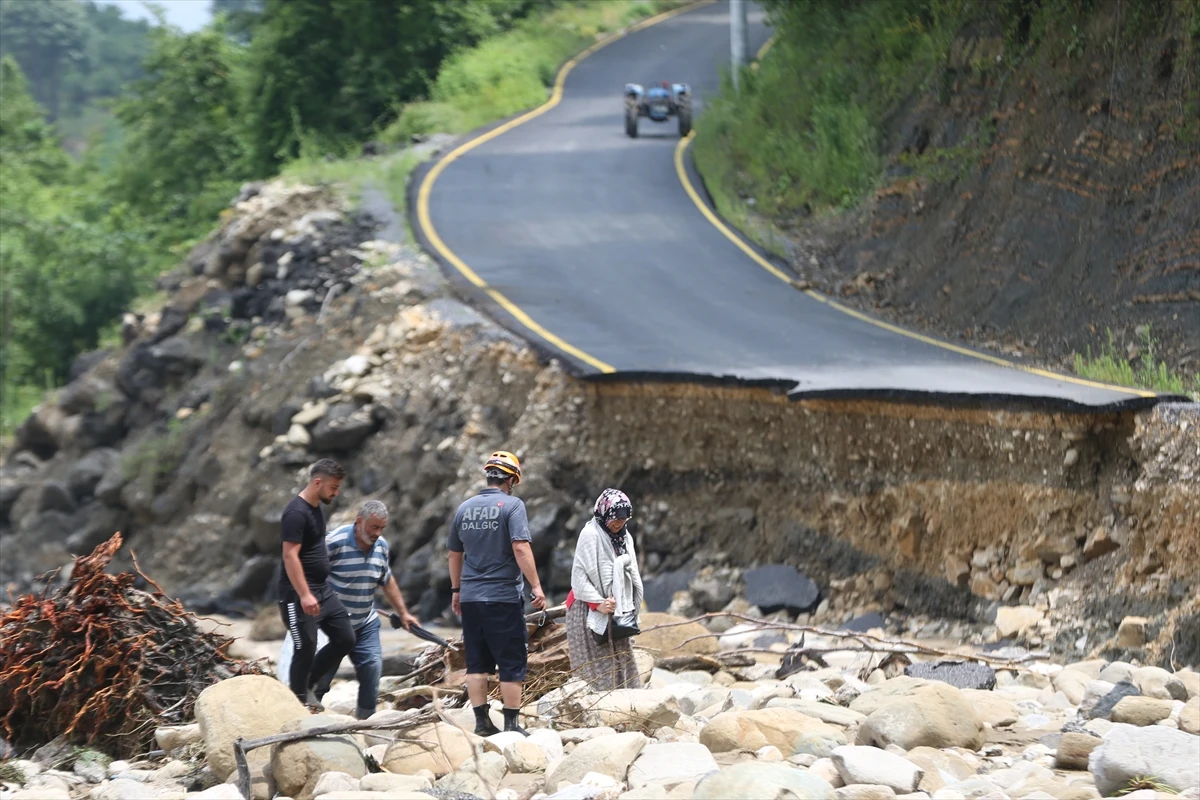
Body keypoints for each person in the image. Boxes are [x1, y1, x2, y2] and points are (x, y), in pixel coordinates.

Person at [448, 450, 546, 736]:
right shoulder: (512, 506)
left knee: (476, 662)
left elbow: (454, 553)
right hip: (502, 597)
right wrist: (536, 586)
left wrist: (456, 589)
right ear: (512, 479)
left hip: (471, 597)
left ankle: (481, 723)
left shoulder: (464, 508)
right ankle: (512, 725)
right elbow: (520, 547)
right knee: (511, 660)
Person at [310, 499, 420, 720]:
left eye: (382, 528)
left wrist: (403, 612)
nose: (378, 533)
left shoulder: (381, 546)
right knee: (321, 677)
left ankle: (366, 722)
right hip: (333, 625)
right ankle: (309, 714)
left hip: (365, 622)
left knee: (372, 668)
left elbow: (386, 580)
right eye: (374, 527)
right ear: (359, 521)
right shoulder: (335, 541)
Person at [277, 458, 356, 709]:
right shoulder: (295, 513)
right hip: (296, 594)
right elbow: (289, 555)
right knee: (306, 645)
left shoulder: (316, 508)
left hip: (322, 590)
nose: (336, 492)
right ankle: (298, 702)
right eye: (333, 487)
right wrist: (304, 594)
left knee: (345, 638)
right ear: (317, 482)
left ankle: (308, 684)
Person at [565, 488, 645, 691]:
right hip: (587, 609)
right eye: (615, 519)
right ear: (603, 514)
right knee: (594, 668)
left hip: (616, 609)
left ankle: (624, 711)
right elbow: (579, 579)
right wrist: (598, 603)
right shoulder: (590, 534)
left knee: (622, 662)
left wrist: (624, 603)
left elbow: (631, 572)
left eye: (624, 519)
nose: (619, 523)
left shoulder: (625, 538)